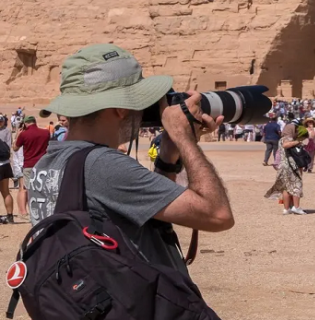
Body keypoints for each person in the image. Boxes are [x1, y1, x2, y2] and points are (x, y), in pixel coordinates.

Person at [30, 44, 234, 280]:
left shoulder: (50, 161)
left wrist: (168, 156)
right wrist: (184, 137)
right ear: (120, 109)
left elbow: (145, 207)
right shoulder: (103, 165)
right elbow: (218, 215)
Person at [266, 124, 308, 215]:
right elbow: (286, 145)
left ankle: (286, 208)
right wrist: (298, 142)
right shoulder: (288, 138)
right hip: (291, 166)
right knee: (296, 185)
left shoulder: (281, 139)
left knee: (286, 188)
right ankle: (296, 207)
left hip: (283, 166)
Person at [14, 116, 50, 220]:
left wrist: (18, 135)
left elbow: (15, 148)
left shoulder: (24, 134)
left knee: (28, 188)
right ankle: (43, 209)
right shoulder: (46, 132)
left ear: (25, 123)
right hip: (43, 163)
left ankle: (30, 212)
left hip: (29, 164)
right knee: (43, 187)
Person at [0, 116, 13, 223]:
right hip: (5, 164)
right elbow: (9, 146)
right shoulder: (7, 131)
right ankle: (10, 216)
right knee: (6, 191)